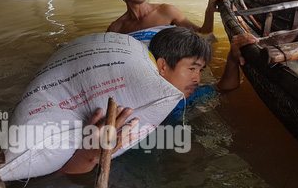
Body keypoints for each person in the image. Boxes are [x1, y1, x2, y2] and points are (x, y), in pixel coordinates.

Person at [61, 27, 258, 174]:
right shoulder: (125, 109)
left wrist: (233, 58)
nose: (197, 78)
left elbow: (225, 88)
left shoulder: (182, 98)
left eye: (200, 70)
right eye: (191, 69)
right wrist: (90, 156)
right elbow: (60, 172)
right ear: (162, 66)